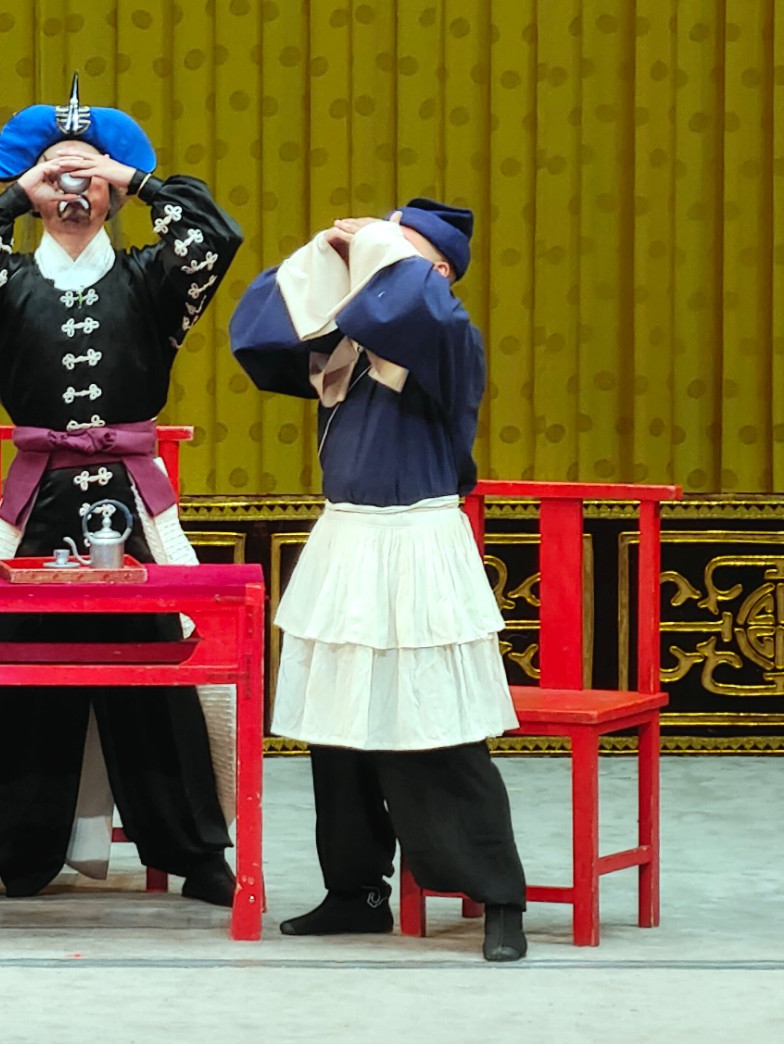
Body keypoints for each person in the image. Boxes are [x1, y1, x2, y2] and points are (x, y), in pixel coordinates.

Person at [0, 78, 243, 907]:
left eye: (90, 173)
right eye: (56, 172)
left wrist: (136, 177)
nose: (72, 185)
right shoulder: (2, 284)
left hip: (134, 504)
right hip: (37, 505)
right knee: (7, 673)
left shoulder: (153, 282)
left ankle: (197, 850)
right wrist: (13, 198)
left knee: (165, 670)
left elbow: (215, 235)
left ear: (113, 191)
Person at [228, 198, 528, 961]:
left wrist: (382, 245)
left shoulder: (450, 336)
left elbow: (416, 306)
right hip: (349, 540)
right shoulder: (349, 348)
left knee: (435, 728)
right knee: (340, 729)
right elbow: (259, 330)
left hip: (418, 544)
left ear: (434, 271)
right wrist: (326, 253)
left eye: (397, 252)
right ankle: (355, 889)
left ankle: (498, 894)